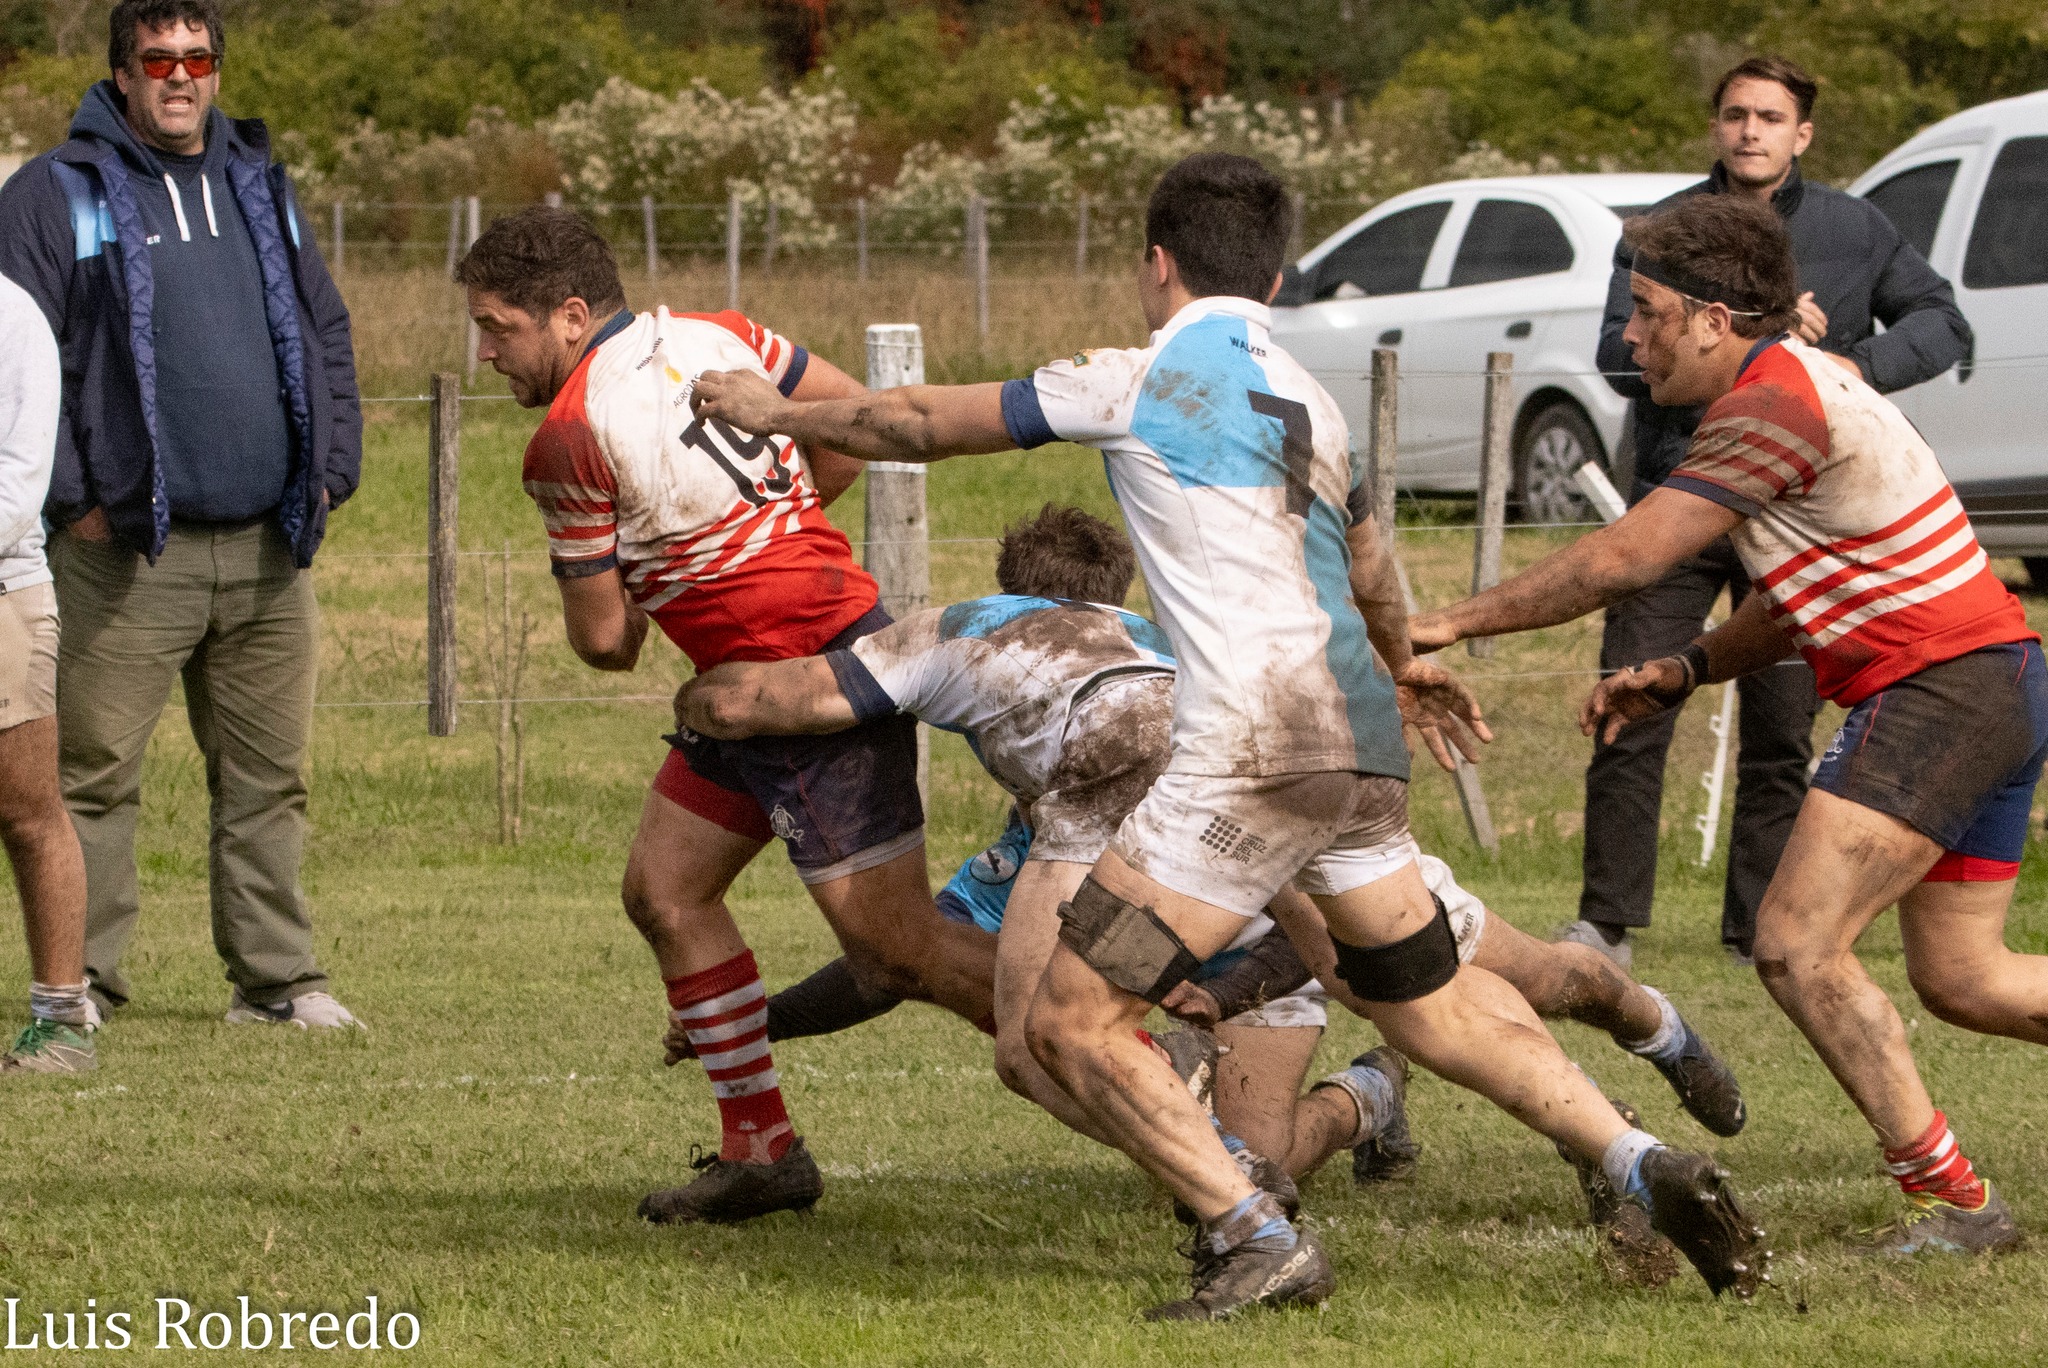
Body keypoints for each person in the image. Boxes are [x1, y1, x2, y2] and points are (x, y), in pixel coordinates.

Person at [690, 152, 1765, 1318]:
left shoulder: (1140, 374)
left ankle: (1253, 1237)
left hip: (1251, 750)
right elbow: (1369, 569)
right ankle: (1635, 1159)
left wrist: (773, 412)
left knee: (1062, 1022)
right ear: (1276, 277)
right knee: (1433, 1008)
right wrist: (1405, 664)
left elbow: (915, 420)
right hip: (1360, 744)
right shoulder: (1315, 402)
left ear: (1156, 264)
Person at [1411, 192, 2042, 1256]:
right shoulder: (1801, 383)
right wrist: (1689, 666)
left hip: (1940, 689)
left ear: (1711, 320)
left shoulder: (1770, 405)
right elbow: (1808, 589)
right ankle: (1955, 1202)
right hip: (1993, 678)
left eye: (1645, 311)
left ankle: (1957, 1204)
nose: (1627, 335)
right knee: (1966, 980)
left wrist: (1443, 623)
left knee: (1794, 946)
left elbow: (1623, 558)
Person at [456, 205, 999, 1228]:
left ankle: (1131, 1059)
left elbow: (605, 642)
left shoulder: (568, 435)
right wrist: (774, 529)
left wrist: (687, 567)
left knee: (897, 951)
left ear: (568, 315)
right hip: (754, 685)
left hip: (807, 687)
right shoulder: (718, 334)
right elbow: (849, 422)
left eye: (498, 328)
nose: (485, 353)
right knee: (665, 892)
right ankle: (763, 1153)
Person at [675, 502, 1417, 1188]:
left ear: (1014, 596)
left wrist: (1222, 994)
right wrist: (763, 1020)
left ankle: (1370, 1093)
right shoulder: (1053, 826)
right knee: (1184, 1146)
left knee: (1264, 1158)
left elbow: (1321, 936)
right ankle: (1226, 1170)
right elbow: (907, 960)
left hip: (1255, 969)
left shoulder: (1193, 736)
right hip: (1140, 879)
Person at [1566, 55, 1975, 968]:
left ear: (1803, 134)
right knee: (1632, 703)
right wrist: (1717, 348)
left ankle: (1755, 926)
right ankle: (1605, 924)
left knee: (1782, 732)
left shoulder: (1855, 227)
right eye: (1736, 114)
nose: (1750, 130)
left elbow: (1944, 323)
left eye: (1770, 117)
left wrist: (1850, 365)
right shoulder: (1664, 229)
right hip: (1682, 493)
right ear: (1716, 126)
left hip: (1796, 518)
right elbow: (1614, 354)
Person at [0, 0, 362, 1027]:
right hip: (123, 556)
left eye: (198, 59)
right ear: (121, 74)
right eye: (157, 59)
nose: (179, 76)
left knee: (269, 779)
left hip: (268, 548)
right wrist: (77, 501)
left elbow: (325, 328)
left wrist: (331, 465)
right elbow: (16, 358)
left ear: (216, 73)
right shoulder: (53, 193)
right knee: (91, 779)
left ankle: (277, 982)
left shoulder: (260, 186)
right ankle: (84, 981)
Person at [0, 274, 97, 1072]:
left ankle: (62, 1023)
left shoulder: (13, 318)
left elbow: (20, 482)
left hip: (5, 593)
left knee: (28, 811)